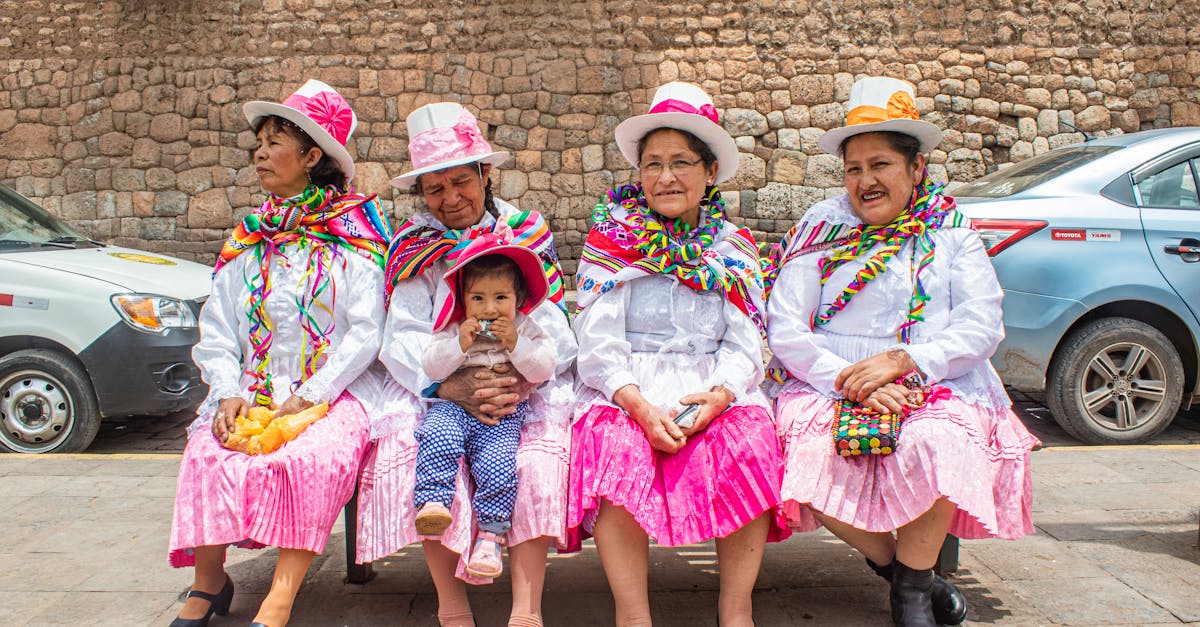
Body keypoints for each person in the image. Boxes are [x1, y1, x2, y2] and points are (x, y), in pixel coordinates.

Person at [763, 76, 1040, 627]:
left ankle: (910, 598)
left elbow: (982, 323)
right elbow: (786, 325)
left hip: (933, 376)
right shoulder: (821, 227)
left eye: (880, 165)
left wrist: (907, 361)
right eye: (853, 168)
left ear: (916, 170)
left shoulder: (951, 233)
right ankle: (906, 572)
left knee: (938, 442)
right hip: (829, 377)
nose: (864, 181)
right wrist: (849, 377)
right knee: (800, 466)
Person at [168, 79, 392, 627]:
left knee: (307, 458)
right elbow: (219, 328)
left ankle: (280, 597)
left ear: (312, 156)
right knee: (210, 449)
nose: (261, 154)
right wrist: (228, 392)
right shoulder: (249, 239)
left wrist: (311, 396)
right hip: (255, 387)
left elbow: (366, 333)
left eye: (274, 143)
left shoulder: (355, 237)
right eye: (259, 145)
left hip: (334, 390)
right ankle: (209, 583)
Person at [567, 82, 790, 627]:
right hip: (627, 387)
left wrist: (718, 398)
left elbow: (744, 343)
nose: (665, 177)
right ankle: (633, 616)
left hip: (709, 385)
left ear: (710, 172)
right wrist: (638, 405)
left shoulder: (732, 249)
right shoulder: (611, 241)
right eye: (652, 164)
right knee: (614, 447)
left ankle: (736, 609)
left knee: (750, 441)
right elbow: (596, 339)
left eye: (681, 163)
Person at [354, 102, 576, 627]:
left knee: (535, 462)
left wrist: (518, 379)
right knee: (420, 455)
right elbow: (399, 338)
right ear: (422, 195)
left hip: (518, 387)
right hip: (437, 386)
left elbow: (558, 333)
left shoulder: (526, 236)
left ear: (485, 175)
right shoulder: (414, 247)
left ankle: (527, 609)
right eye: (435, 188)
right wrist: (448, 385)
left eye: (461, 181)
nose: (451, 198)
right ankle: (451, 608)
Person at [414, 233, 556, 579]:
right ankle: (434, 501)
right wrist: (458, 346)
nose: (489, 309)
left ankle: (490, 536)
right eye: (478, 298)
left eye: (500, 297)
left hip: (502, 414)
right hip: (454, 407)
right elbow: (431, 366)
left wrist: (517, 344)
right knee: (436, 434)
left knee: (499, 462)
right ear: (463, 299)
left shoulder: (527, 328)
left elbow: (544, 368)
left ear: (519, 298)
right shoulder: (454, 328)